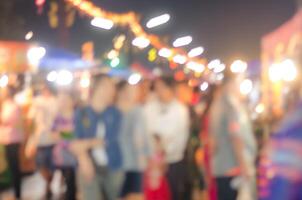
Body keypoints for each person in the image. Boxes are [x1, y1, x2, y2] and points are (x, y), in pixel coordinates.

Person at [73, 75, 123, 200]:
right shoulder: (81, 112)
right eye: (111, 87)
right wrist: (83, 157)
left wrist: (86, 144)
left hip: (114, 165)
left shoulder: (115, 113)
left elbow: (112, 139)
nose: (113, 91)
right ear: (100, 88)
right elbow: (74, 141)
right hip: (89, 165)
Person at [209, 73, 257, 200]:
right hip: (231, 167)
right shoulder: (229, 106)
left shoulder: (218, 105)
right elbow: (235, 137)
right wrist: (243, 166)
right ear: (230, 84)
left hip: (223, 166)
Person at [152, 76, 190, 200]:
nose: (158, 92)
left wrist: (163, 151)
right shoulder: (150, 108)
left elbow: (178, 139)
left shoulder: (180, 110)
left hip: (173, 162)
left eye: (161, 88)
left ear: (170, 89)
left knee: (172, 194)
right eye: (156, 88)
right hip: (153, 163)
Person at [117, 81, 150, 200]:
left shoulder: (137, 111)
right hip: (124, 163)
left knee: (132, 194)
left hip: (131, 163)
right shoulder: (116, 111)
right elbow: (142, 137)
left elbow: (143, 137)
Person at [28, 84, 59, 199]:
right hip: (40, 138)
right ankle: (48, 184)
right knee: (40, 164)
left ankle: (48, 186)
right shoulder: (37, 102)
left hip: (53, 138)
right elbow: (31, 119)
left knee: (52, 165)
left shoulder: (55, 101)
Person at [52, 91, 77, 200]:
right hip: (62, 155)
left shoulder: (78, 116)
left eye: (67, 100)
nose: (64, 103)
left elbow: (79, 134)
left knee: (73, 182)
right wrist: (69, 133)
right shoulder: (58, 117)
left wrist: (63, 133)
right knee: (69, 180)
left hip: (76, 153)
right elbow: (54, 134)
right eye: (62, 100)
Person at [0, 86, 24, 199]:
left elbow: (7, 121)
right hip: (6, 139)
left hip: (12, 140)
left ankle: (17, 193)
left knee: (14, 166)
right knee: (9, 166)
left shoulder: (13, 106)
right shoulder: (5, 106)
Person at [144, 134, 171, 200]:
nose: (155, 146)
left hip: (159, 182)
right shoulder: (147, 157)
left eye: (157, 144)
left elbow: (165, 169)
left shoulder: (162, 156)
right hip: (150, 183)